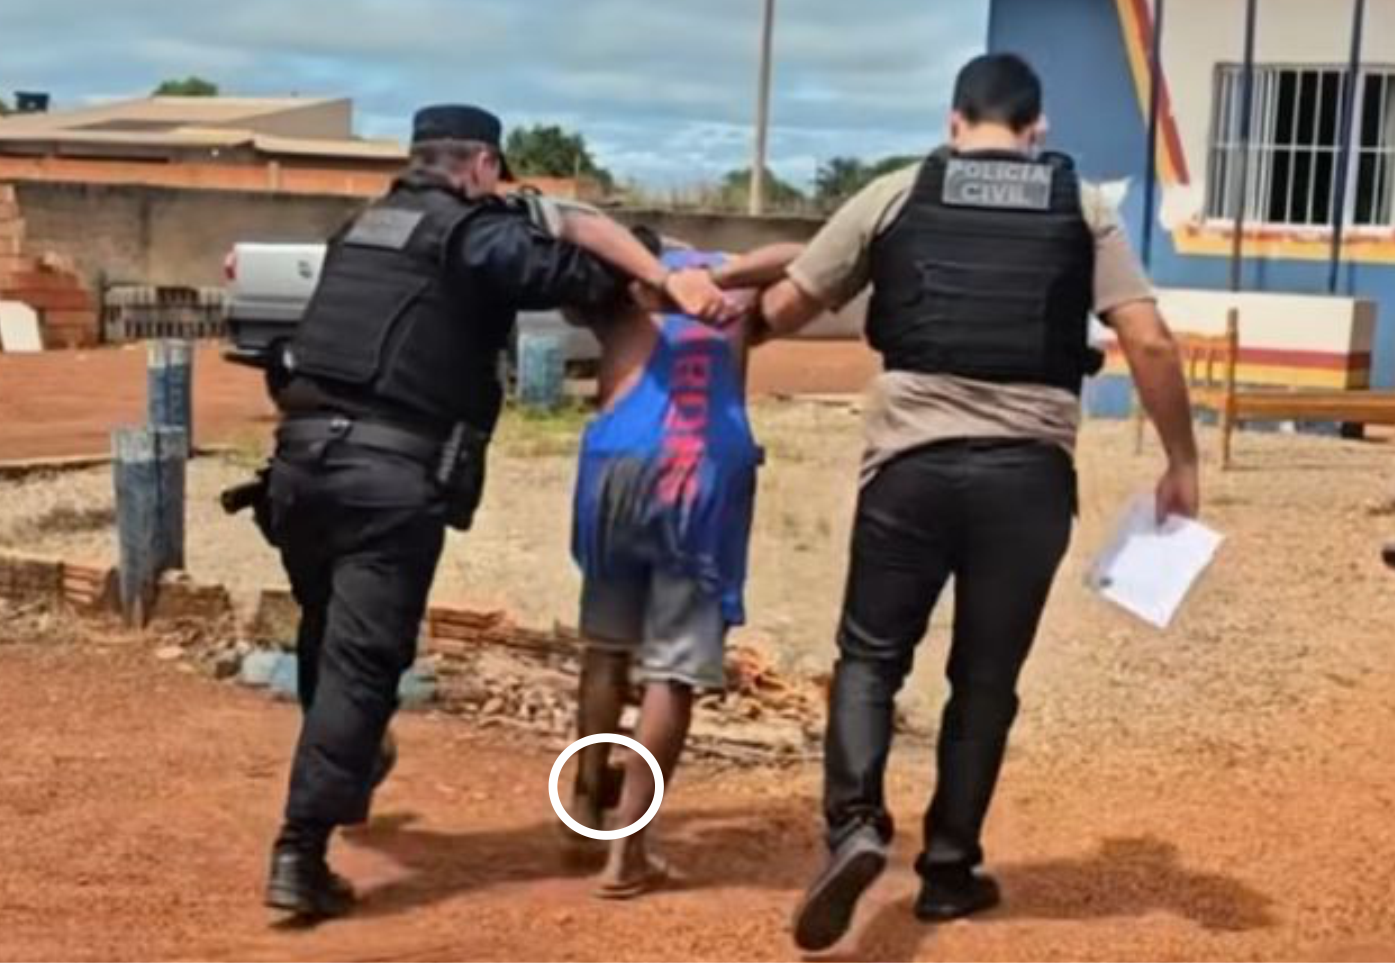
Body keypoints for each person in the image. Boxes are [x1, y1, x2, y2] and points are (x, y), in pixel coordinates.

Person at [757, 54, 1201, 950]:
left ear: (953, 121)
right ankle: (948, 871)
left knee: (870, 657)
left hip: (908, 471)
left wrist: (721, 291)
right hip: (1026, 479)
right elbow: (1149, 342)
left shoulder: (894, 192)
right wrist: (1180, 461)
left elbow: (789, 306)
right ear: (1036, 129)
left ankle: (854, 827)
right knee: (985, 679)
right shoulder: (1080, 205)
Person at [255, 104, 733, 919]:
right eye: (497, 176)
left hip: (297, 469)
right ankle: (300, 851)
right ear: (480, 165)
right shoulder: (476, 234)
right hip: (385, 479)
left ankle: (351, 756)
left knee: (326, 635)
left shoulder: (361, 227)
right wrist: (658, 259)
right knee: (363, 660)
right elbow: (581, 277)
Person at [558, 227, 803, 897]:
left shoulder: (627, 283)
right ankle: (626, 852)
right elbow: (803, 258)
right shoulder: (735, 291)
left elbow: (568, 230)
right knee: (672, 671)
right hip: (702, 476)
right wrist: (721, 281)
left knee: (606, 649)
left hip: (617, 462)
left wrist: (673, 283)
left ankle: (584, 811)